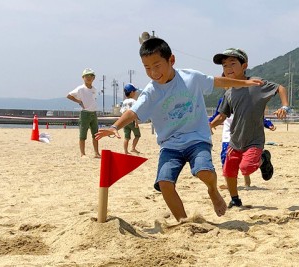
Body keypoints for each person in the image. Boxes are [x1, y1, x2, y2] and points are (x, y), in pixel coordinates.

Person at [95, 38, 264, 221]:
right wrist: (114, 126)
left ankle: (213, 190)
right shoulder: (151, 92)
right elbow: (133, 112)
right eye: (147, 68)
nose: (153, 72)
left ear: (171, 60)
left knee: (203, 171)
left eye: (157, 65)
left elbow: (218, 82)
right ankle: (183, 222)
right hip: (170, 145)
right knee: (165, 183)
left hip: (197, 139)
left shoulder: (191, 77)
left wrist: (245, 83)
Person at [209, 48, 289, 208]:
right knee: (228, 170)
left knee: (246, 168)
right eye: (225, 65)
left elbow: (280, 87)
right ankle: (235, 199)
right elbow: (222, 115)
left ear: (244, 65)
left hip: (254, 140)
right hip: (235, 140)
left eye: (233, 63)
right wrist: (210, 124)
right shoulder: (229, 92)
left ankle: (264, 158)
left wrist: (285, 106)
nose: (228, 68)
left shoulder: (256, 83)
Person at [209, 97, 276, 188]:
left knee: (243, 158)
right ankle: (228, 183)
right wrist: (209, 123)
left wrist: (268, 124)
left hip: (245, 133)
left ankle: (249, 179)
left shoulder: (248, 98)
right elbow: (218, 115)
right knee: (226, 156)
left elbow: (256, 115)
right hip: (228, 134)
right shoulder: (224, 99)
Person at [67, 68, 101, 158]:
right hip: (85, 114)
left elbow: (93, 99)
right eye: (87, 76)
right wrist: (78, 101)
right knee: (83, 134)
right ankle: (82, 153)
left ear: (94, 78)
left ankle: (96, 153)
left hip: (93, 113)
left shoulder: (94, 89)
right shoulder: (80, 88)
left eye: (91, 76)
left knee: (95, 134)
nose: (89, 78)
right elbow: (69, 95)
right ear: (83, 77)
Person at [120, 83, 141, 154]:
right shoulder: (134, 101)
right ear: (131, 92)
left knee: (126, 137)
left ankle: (125, 151)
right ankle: (133, 148)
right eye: (134, 91)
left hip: (125, 122)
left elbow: (122, 112)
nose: (135, 93)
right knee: (137, 135)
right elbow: (134, 113)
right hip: (132, 121)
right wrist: (136, 122)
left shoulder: (124, 102)